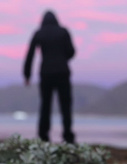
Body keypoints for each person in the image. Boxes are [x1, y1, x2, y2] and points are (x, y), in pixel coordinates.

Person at [23, 10, 76, 144]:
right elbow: (71, 51)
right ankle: (68, 136)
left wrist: (27, 75)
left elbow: (30, 55)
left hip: (46, 73)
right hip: (63, 72)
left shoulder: (39, 33)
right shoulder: (63, 32)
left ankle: (43, 136)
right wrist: (62, 58)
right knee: (65, 105)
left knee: (45, 105)